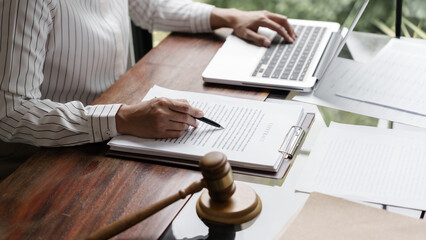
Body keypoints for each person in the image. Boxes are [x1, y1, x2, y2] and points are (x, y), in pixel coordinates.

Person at [0, 0, 296, 177]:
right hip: (44, 159)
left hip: (117, 125)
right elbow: (10, 113)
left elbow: (150, 7)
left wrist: (227, 15)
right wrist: (121, 118)